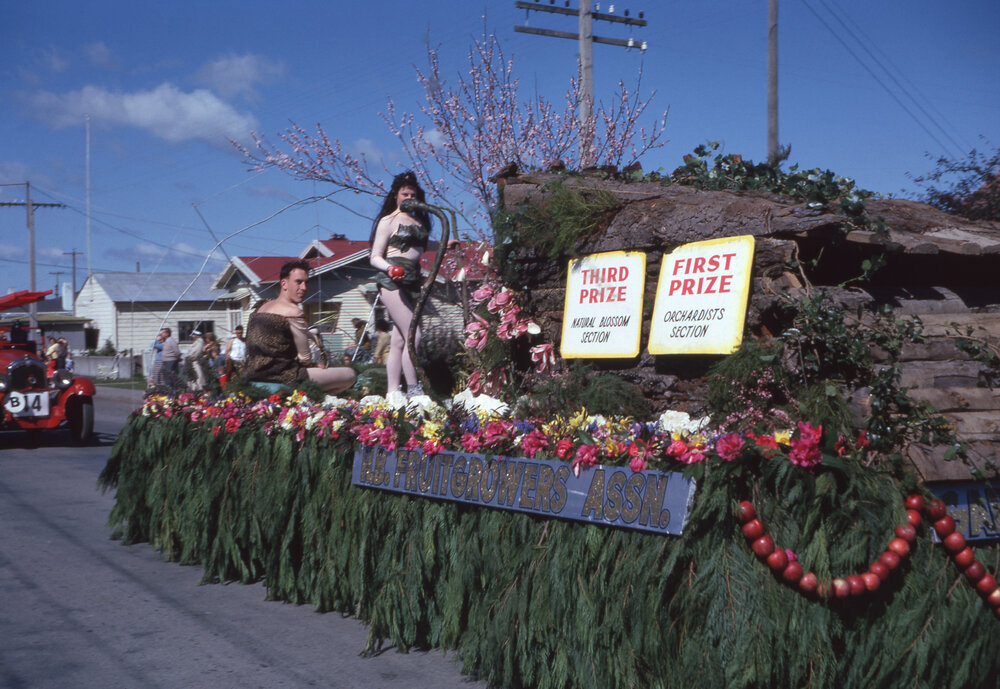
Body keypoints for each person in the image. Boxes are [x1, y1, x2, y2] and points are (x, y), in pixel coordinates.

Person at [242, 260, 355, 395]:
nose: (304, 287)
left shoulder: (260, 308)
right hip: (284, 375)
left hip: (252, 372)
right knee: (349, 374)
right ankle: (316, 402)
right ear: (284, 283)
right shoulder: (293, 312)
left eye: (306, 282)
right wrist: (312, 366)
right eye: (298, 282)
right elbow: (305, 357)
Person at [369, 170, 433, 396]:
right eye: (404, 194)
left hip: (413, 281)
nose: (408, 198)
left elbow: (421, 246)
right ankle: (414, 388)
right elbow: (375, 255)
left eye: (412, 194)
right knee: (413, 335)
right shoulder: (388, 221)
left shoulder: (418, 220)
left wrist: (449, 242)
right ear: (396, 195)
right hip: (391, 280)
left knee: (398, 340)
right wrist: (389, 268)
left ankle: (393, 391)